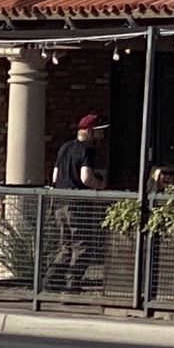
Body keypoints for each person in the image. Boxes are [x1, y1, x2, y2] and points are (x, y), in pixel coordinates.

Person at [48, 114, 108, 293]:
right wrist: (100, 185)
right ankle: (72, 283)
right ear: (89, 132)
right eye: (99, 132)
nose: (102, 136)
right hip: (77, 204)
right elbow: (86, 177)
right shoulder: (87, 150)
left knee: (65, 245)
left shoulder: (64, 148)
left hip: (59, 201)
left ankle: (52, 280)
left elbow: (55, 177)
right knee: (82, 245)